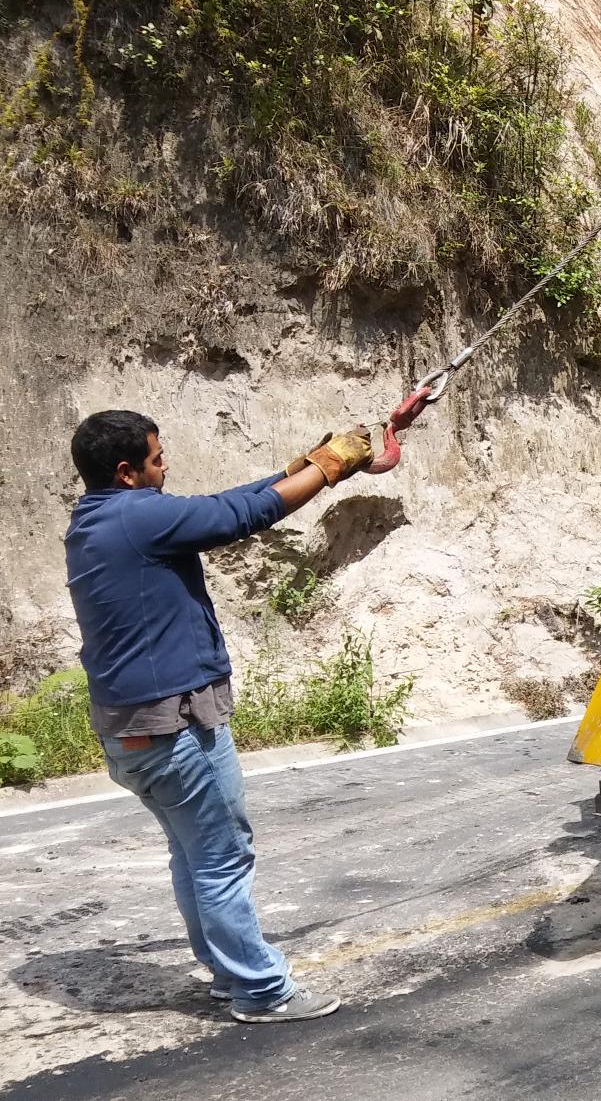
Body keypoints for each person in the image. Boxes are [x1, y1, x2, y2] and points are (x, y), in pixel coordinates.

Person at [65, 410, 373, 1023]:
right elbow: (239, 517)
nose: (166, 464)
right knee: (222, 857)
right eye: (157, 458)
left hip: (132, 729)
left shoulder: (99, 518)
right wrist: (331, 466)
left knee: (192, 853)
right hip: (174, 727)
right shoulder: (138, 516)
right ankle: (260, 989)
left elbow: (221, 504)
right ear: (127, 473)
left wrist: (307, 465)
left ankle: (226, 970)